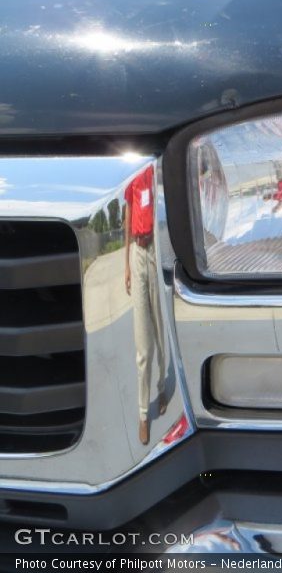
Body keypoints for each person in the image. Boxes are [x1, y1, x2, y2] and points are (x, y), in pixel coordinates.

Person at [124, 164, 166, 445]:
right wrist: (125, 262)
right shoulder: (132, 174)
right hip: (138, 253)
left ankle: (162, 386)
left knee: (160, 332)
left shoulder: (154, 168)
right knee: (143, 343)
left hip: (156, 249)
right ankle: (142, 413)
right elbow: (128, 213)